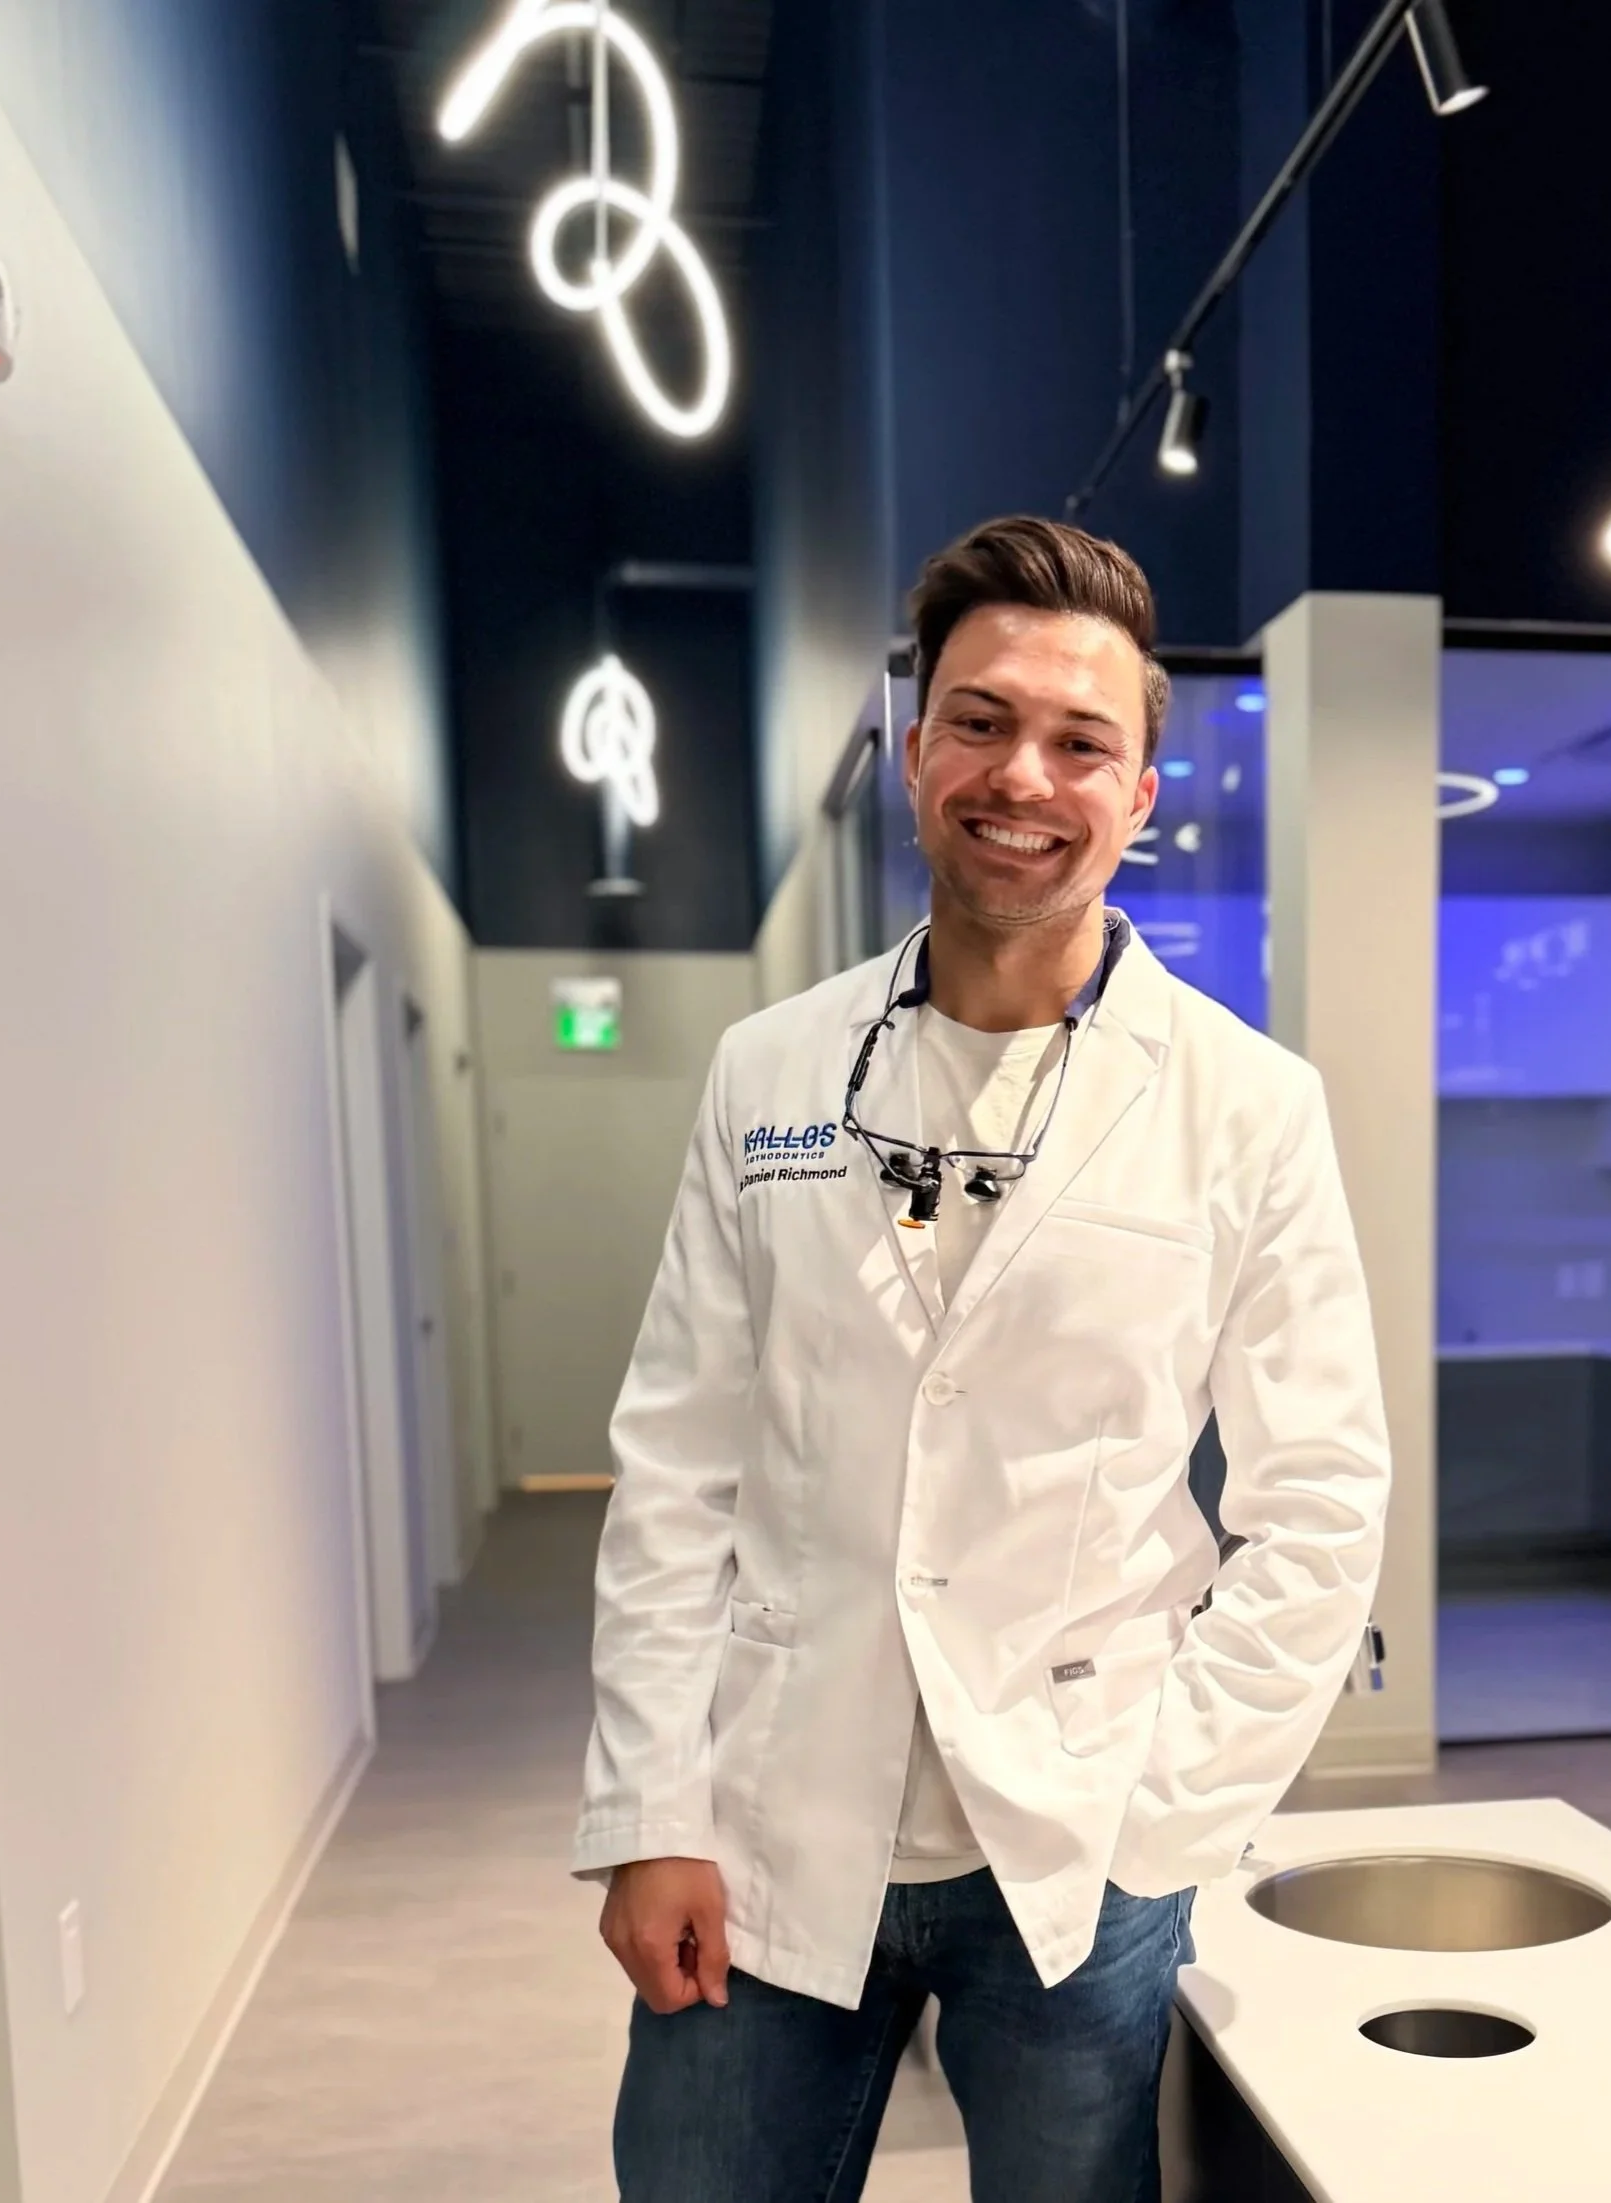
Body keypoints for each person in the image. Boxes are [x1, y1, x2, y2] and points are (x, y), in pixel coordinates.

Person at [579, 515, 1391, 2201]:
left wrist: (1166, 1812)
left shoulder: (1246, 1106)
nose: (1024, 775)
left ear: (1139, 793)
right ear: (913, 749)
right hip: (773, 1811)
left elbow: (1318, 1498)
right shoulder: (769, 1070)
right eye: (980, 720)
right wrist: (650, 1806)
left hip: (1078, 1842)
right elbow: (675, 1467)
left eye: (1081, 741)